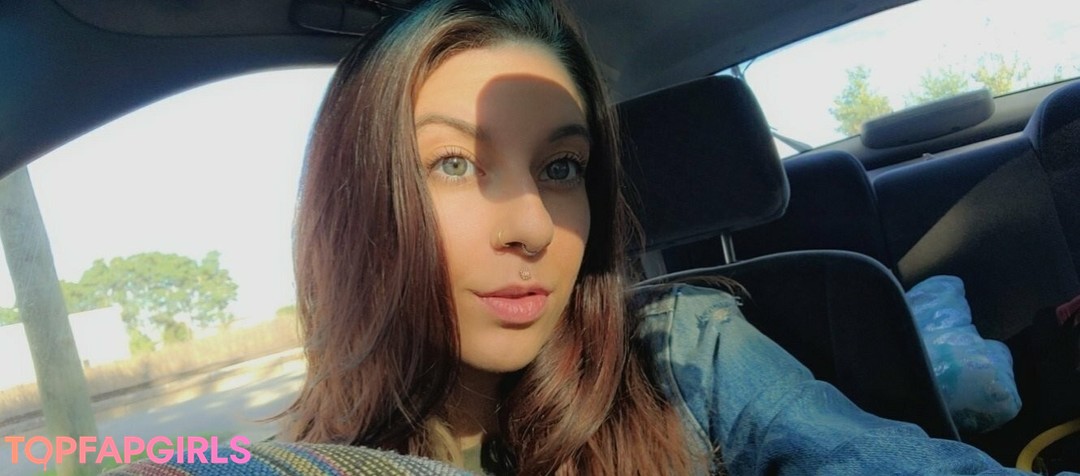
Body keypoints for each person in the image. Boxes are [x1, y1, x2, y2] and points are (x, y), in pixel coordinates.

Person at [112, 0, 1078, 475]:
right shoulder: (315, 457)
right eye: (453, 163)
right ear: (357, 204)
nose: (533, 224)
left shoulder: (682, 352)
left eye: (561, 168)